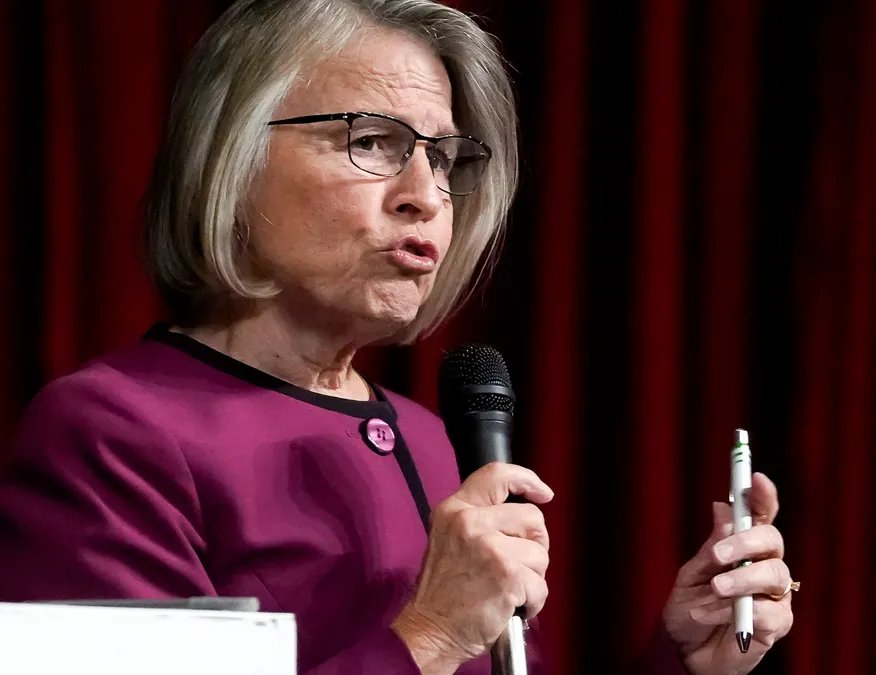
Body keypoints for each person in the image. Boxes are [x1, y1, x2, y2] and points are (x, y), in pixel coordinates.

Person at [0, 1, 795, 673]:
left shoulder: (436, 438)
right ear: (231, 154)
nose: (426, 196)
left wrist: (684, 659)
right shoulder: (112, 432)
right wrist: (431, 637)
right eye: (373, 141)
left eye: (444, 157)